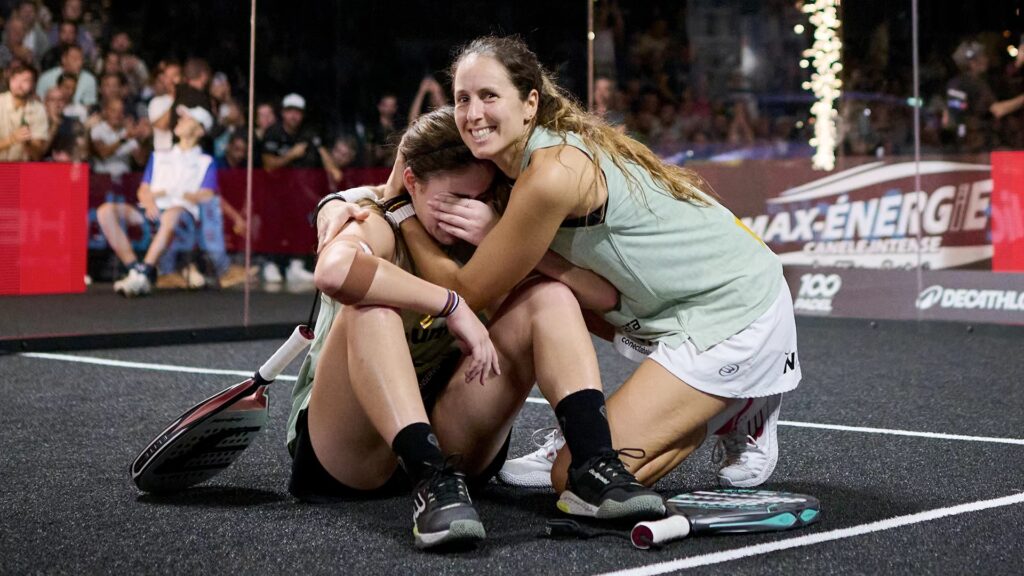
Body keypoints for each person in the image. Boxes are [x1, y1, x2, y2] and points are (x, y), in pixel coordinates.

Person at [320, 35, 800, 494]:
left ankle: (730, 407)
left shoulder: (550, 175)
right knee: (546, 293)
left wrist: (403, 214)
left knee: (573, 477)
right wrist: (354, 198)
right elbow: (415, 144)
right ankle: (629, 417)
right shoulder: (511, 164)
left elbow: (466, 292)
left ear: (530, 103)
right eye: (462, 98)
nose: (472, 113)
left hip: (735, 308)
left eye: (489, 96)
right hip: (662, 304)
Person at [293, 107, 662, 550]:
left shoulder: (490, 224)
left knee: (550, 295)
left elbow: (602, 297)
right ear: (413, 183)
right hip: (352, 449)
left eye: (480, 197)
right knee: (372, 308)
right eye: (453, 199)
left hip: (452, 432)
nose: (467, 211)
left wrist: (498, 237)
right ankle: (431, 484)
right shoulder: (379, 218)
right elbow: (334, 272)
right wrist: (451, 303)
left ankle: (593, 467)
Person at [95, 105, 216, 297]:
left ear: (200, 130)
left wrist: (179, 195)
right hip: (151, 210)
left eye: (187, 119)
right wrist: (150, 200)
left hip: (182, 217)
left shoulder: (205, 161)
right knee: (105, 211)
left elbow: (207, 194)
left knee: (172, 213)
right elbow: (144, 189)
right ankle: (135, 268)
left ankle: (145, 271)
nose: (180, 121)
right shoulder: (159, 156)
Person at [0, 59, 48, 161]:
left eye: (25, 80)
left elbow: (37, 155)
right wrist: (12, 139)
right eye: (15, 79)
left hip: (22, 170)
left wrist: (29, 143)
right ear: (9, 81)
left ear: (33, 84)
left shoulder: (38, 109)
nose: (19, 85)